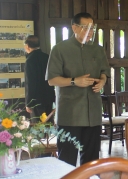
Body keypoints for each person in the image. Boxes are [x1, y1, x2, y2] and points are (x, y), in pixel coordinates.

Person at [46, 12, 109, 166]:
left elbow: (104, 72)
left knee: (92, 161)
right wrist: (74, 81)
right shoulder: (60, 49)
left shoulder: (98, 49)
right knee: (66, 161)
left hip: (93, 114)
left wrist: (102, 81)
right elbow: (52, 80)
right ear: (74, 27)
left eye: (92, 28)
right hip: (70, 114)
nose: (90, 32)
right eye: (85, 27)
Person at [24, 35, 55, 121]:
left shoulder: (30, 60)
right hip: (49, 98)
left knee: (38, 127)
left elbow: (30, 83)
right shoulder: (47, 57)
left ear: (27, 46)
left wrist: (28, 103)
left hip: (36, 101)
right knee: (48, 125)